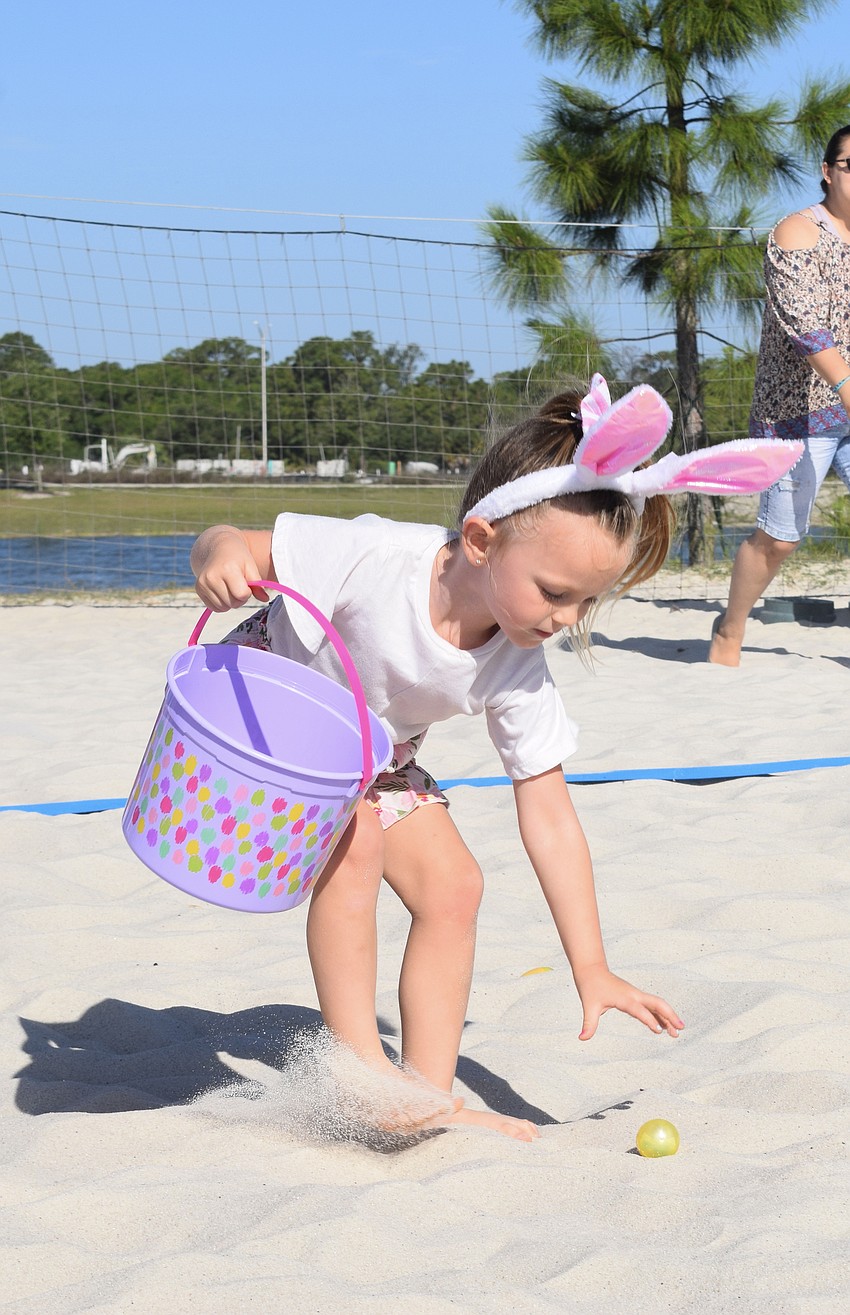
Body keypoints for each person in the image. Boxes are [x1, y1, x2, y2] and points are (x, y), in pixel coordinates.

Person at [191, 374, 798, 1141]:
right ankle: (357, 1068)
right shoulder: (378, 556)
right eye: (555, 591)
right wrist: (216, 558)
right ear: (480, 540)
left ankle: (426, 1096)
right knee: (361, 836)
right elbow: (237, 544)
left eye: (586, 602)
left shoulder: (516, 658)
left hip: (367, 759)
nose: (567, 619)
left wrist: (592, 965)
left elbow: (550, 814)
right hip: (258, 727)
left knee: (455, 884)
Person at [710, 125, 850, 667]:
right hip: (796, 414)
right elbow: (807, 330)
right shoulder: (796, 234)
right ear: (827, 170)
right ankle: (730, 628)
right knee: (780, 539)